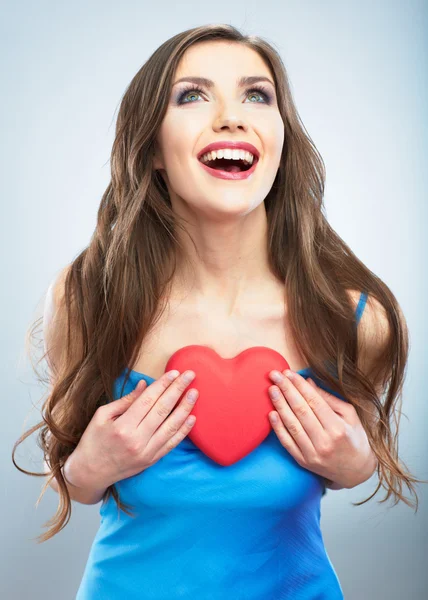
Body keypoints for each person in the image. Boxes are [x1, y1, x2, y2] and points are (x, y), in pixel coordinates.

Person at [13, 23, 422, 600]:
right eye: (192, 95)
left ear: (280, 138)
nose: (232, 116)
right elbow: (78, 482)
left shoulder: (356, 320)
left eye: (257, 95)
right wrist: (89, 467)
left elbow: (357, 461)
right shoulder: (86, 300)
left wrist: (356, 465)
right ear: (152, 148)